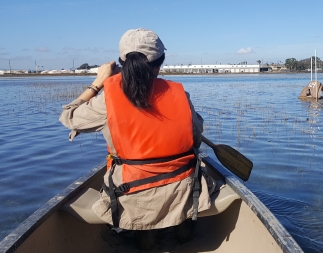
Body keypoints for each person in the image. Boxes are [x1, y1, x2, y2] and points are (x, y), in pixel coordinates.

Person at [59, 28, 216, 250]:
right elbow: (196, 134)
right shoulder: (180, 93)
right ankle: (183, 231)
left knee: (141, 204)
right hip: (183, 188)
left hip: (134, 192)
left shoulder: (108, 98)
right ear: (160, 61)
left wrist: (98, 84)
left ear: (123, 62)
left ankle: (146, 238)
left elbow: (69, 117)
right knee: (190, 179)